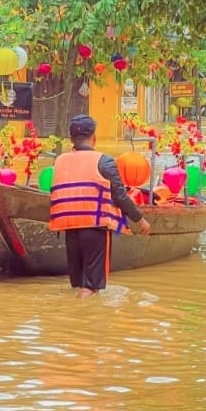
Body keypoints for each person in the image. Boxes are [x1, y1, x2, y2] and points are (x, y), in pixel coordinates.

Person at [49, 114, 151, 298]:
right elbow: (120, 196)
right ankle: (86, 319)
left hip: (69, 230)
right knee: (90, 287)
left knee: (78, 283)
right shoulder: (104, 161)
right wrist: (140, 219)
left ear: (71, 138)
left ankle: (72, 320)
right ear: (94, 137)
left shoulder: (60, 161)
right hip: (95, 229)